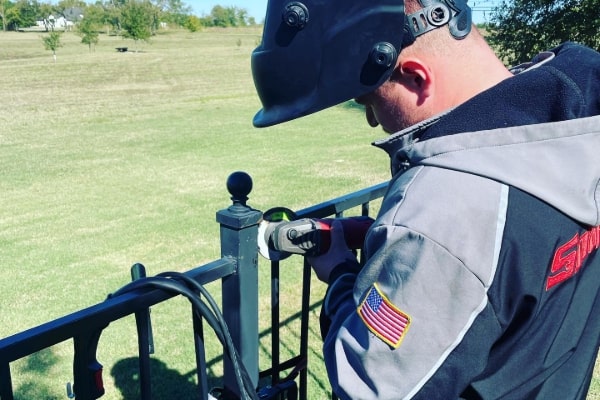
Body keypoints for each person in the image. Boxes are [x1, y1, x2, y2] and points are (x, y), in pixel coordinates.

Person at [251, 0, 600, 398]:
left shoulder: (444, 212)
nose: (372, 120)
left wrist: (341, 273)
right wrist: (388, 242)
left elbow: (368, 385)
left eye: (370, 101)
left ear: (416, 78)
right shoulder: (577, 127)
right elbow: (511, 264)